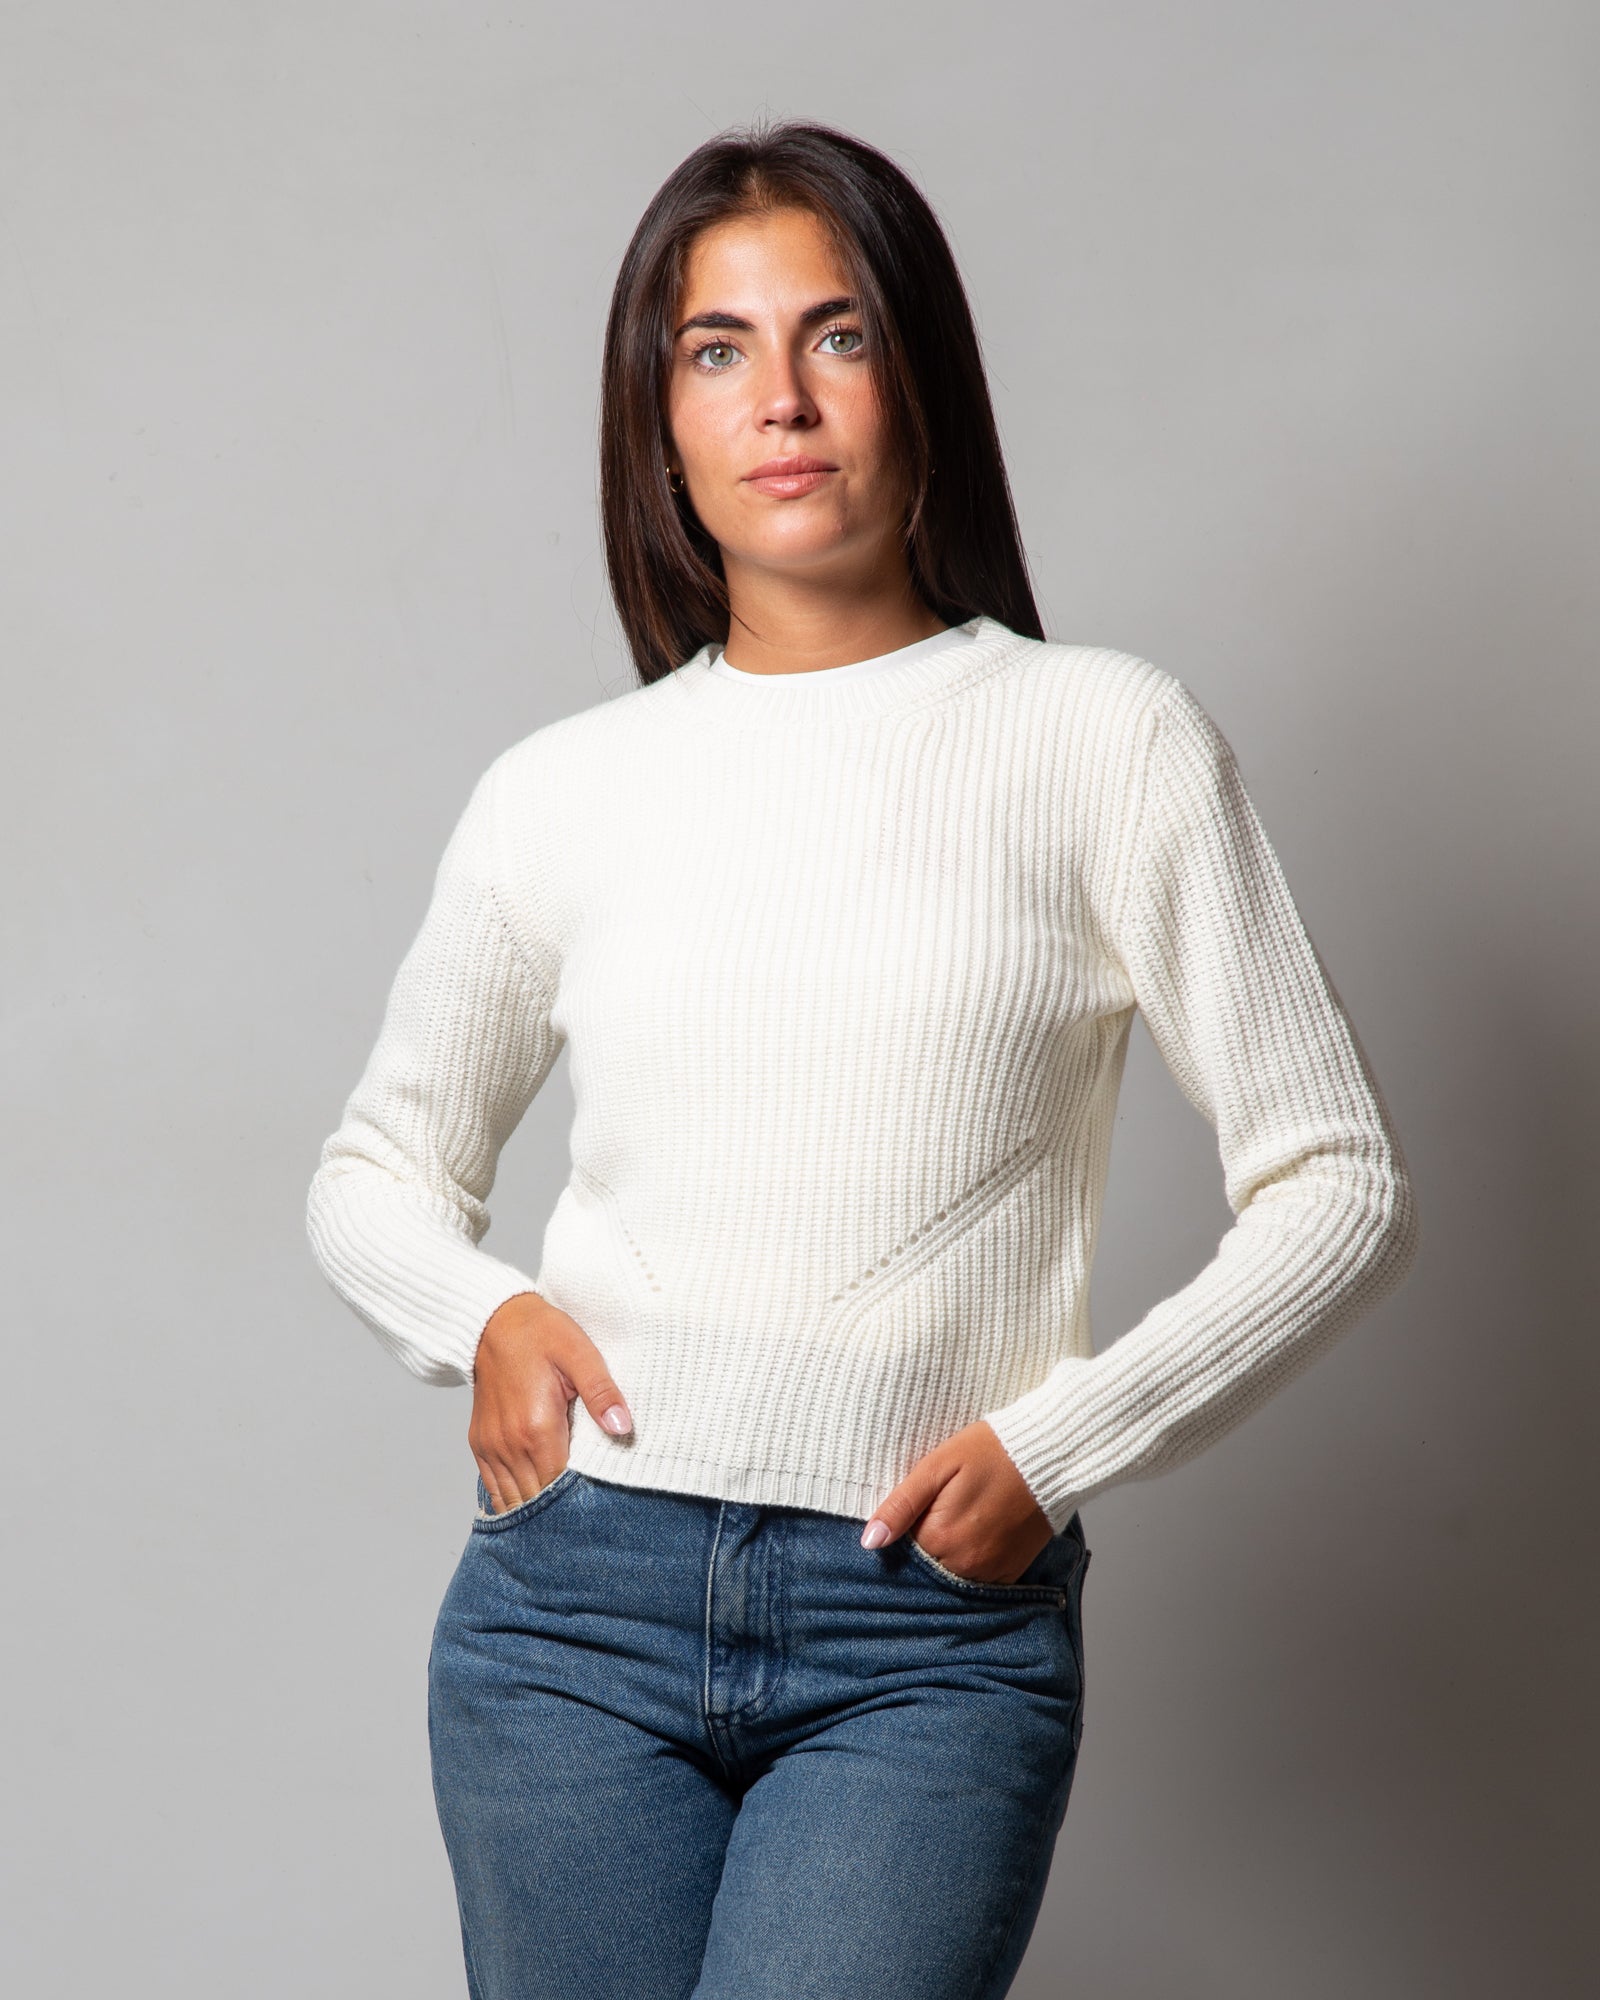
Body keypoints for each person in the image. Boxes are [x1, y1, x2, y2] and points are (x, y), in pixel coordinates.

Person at [306, 119, 1419, 2000]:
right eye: (716, 349)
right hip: (568, 1623)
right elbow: (372, 1174)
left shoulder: (1104, 743)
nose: (782, 400)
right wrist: (483, 1318)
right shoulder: (561, 792)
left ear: (925, 380)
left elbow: (1342, 1184)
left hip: (921, 1639)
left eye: (837, 334)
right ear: (659, 424)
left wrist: (1062, 1445)